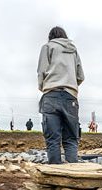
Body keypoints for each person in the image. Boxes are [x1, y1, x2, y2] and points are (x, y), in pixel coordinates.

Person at [36, 26, 84, 164]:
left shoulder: (47, 47)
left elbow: (41, 71)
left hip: (51, 95)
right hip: (70, 97)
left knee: (53, 139)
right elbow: (80, 76)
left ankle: (55, 180)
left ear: (51, 37)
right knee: (71, 138)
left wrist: (44, 87)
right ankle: (74, 178)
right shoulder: (73, 50)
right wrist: (71, 85)